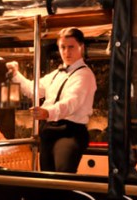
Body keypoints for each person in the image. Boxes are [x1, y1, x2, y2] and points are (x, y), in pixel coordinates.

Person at [8, 27, 96, 173]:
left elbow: (71, 103)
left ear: (81, 47)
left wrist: (47, 112)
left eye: (71, 47)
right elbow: (33, 90)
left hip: (70, 132)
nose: (66, 52)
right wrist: (15, 74)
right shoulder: (56, 74)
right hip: (49, 130)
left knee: (62, 176)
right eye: (63, 47)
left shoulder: (85, 75)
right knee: (47, 178)